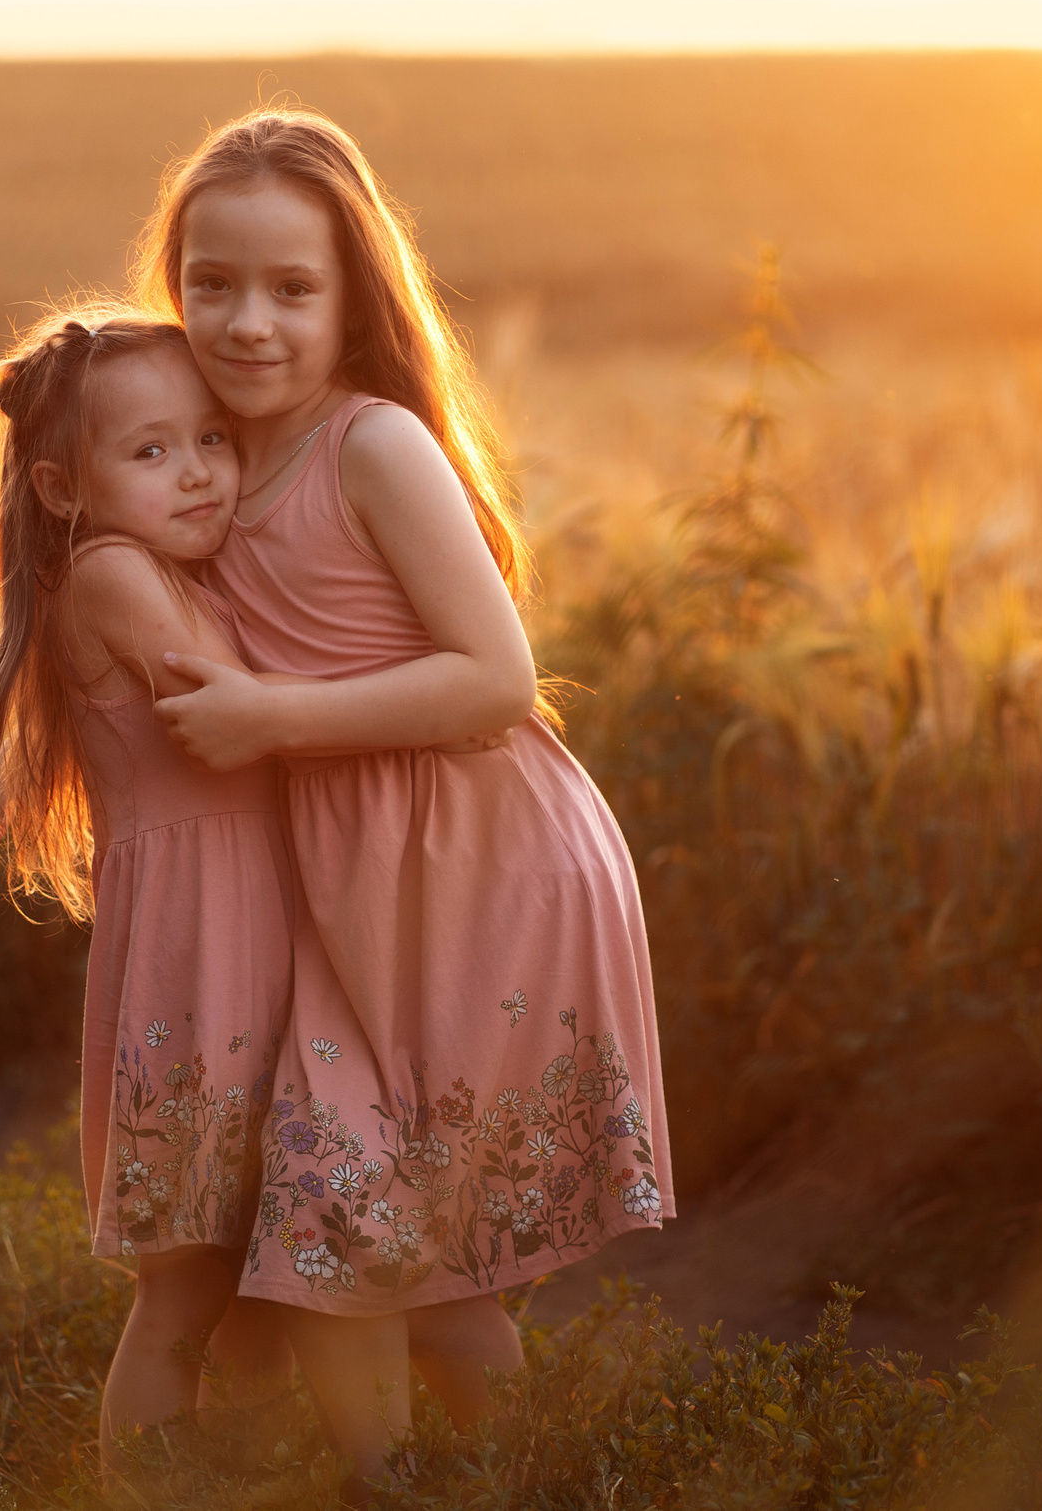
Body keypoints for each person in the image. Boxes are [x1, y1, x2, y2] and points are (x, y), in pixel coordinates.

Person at [140, 109, 675, 1492]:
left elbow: (496, 675)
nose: (246, 320)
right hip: (347, 872)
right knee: (373, 1237)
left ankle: (497, 1479)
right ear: (174, 283)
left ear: (353, 297)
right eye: (212, 283)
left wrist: (276, 719)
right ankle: (451, 1482)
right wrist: (6, 790)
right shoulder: (188, 463)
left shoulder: (369, 445)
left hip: (475, 859)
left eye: (292, 288)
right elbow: (120, 650)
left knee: (387, 1244)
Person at [0, 312, 297, 1472]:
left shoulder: (151, 564)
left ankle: (246, 1482)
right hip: (206, 952)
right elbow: (254, 703)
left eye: (213, 439)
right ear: (62, 485)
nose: (196, 473)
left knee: (255, 1280)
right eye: (150, 452)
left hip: (251, 936)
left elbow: (69, 729)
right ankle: (144, 1489)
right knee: (189, 1287)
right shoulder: (116, 571)